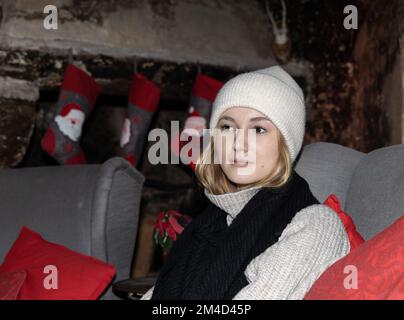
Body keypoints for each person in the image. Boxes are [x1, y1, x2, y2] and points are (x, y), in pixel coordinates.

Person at [141, 65, 349, 300]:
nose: (238, 143)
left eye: (259, 129)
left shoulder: (316, 224)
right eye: (227, 127)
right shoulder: (212, 222)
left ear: (284, 145)